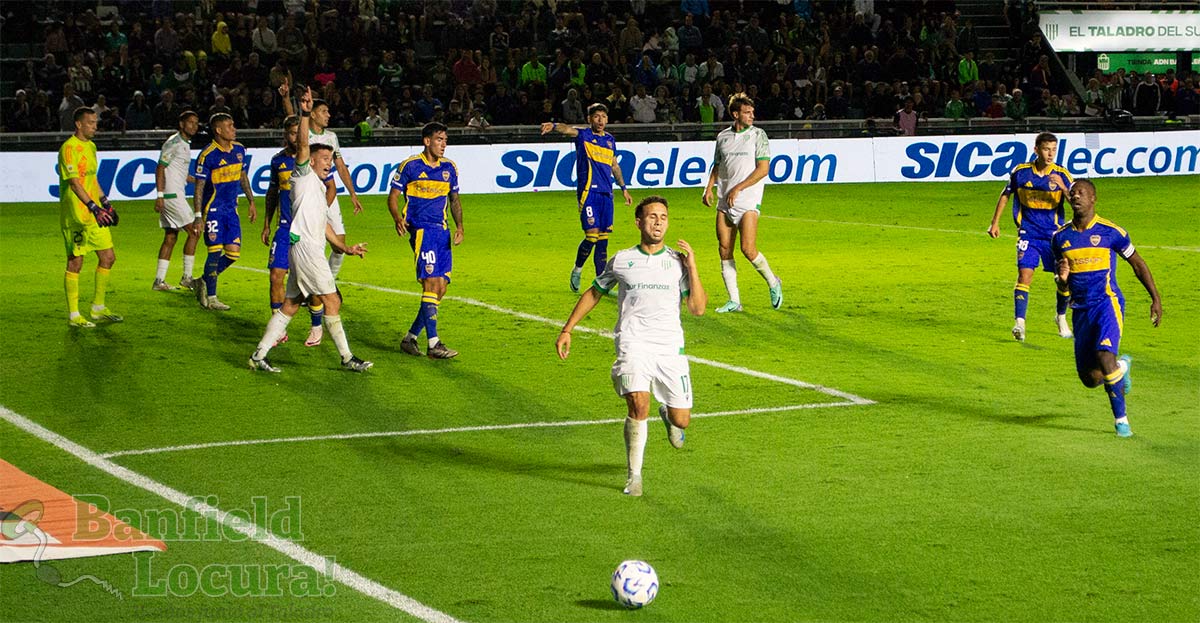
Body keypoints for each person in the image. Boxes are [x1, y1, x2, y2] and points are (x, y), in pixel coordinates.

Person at [555, 196, 707, 497]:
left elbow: (698, 309)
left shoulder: (677, 262)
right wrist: (568, 328)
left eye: (663, 216)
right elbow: (594, 292)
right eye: (652, 216)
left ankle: (669, 416)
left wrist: (693, 266)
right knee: (638, 403)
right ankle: (634, 476)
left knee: (682, 420)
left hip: (669, 349)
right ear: (639, 222)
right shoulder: (622, 260)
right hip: (633, 344)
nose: (658, 222)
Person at [250, 86, 372, 373]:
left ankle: (258, 355)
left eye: (331, 160)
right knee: (332, 299)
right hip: (305, 249)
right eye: (326, 160)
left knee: (290, 304)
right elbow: (304, 145)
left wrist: (346, 248)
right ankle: (346, 357)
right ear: (312, 161)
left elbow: (326, 226)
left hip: (306, 247)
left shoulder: (318, 186)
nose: (330, 165)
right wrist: (304, 113)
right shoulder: (302, 175)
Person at [1051, 179, 1162, 437]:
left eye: (1082, 192)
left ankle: (1121, 421)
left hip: (1107, 303)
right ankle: (1123, 367)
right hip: (1080, 310)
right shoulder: (1060, 238)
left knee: (1104, 355)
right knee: (1091, 378)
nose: (1075, 195)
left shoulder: (1112, 232)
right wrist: (1061, 281)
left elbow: (1137, 263)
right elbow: (1062, 282)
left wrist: (1155, 298)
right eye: (1073, 193)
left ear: (1093, 199)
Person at [387, 122, 465, 359]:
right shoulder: (410, 166)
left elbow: (454, 199)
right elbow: (392, 197)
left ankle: (410, 338)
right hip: (422, 231)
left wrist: (460, 226)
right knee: (431, 284)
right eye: (439, 139)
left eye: (445, 140)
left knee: (440, 288)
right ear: (427, 141)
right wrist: (396, 217)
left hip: (442, 233)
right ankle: (434, 344)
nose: (444, 144)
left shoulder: (450, 168)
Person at [701, 93, 783, 312]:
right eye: (747, 112)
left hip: (748, 200)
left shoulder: (759, 135)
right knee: (725, 249)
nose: (752, 116)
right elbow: (717, 166)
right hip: (724, 200)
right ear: (735, 114)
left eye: (752, 112)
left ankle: (773, 282)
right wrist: (708, 188)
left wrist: (739, 187)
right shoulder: (723, 137)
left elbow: (763, 169)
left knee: (748, 248)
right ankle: (734, 300)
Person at [539, 103, 634, 293]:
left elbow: (614, 165)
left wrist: (624, 188)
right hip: (589, 192)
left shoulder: (610, 140)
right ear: (590, 119)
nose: (600, 120)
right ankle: (577, 270)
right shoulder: (584, 136)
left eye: (603, 117)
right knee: (591, 236)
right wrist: (554, 125)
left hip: (606, 194)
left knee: (603, 240)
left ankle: (601, 283)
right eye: (596, 117)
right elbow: (567, 129)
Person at [988, 132, 1073, 341]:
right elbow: (1006, 194)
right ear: (1036, 150)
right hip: (1029, 233)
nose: (1051, 153)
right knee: (1024, 275)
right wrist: (995, 222)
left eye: (1054, 149)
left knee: (1064, 280)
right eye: (1046, 149)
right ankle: (1020, 324)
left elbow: (1076, 201)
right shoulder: (1022, 172)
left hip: (1055, 236)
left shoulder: (1062, 174)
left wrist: (1062, 187)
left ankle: (1061, 317)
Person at [262, 113, 327, 347]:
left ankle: (316, 326)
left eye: (297, 132)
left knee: (310, 282)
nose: (295, 136)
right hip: (284, 228)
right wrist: (267, 223)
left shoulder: (311, 160)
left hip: (307, 230)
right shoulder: (277, 161)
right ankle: (277, 328)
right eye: (291, 132)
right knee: (276, 276)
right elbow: (272, 194)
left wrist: (321, 214)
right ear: (285, 135)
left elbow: (328, 188)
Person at [292, 83, 366, 282]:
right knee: (313, 241)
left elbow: (340, 166)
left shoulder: (332, 137)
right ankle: (315, 282)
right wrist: (299, 110)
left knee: (339, 245)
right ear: (313, 115)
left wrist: (352, 193)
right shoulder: (304, 134)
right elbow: (295, 131)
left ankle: (328, 282)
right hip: (308, 194)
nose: (328, 115)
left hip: (329, 193)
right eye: (324, 111)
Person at [59, 107, 121, 327]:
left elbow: (92, 179)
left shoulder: (91, 146)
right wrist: (94, 207)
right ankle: (74, 315)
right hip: (77, 215)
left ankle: (97, 308)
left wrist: (105, 203)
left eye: (96, 122)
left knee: (108, 257)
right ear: (79, 124)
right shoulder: (68, 148)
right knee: (76, 261)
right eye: (91, 122)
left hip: (95, 213)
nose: (96, 126)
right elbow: (75, 183)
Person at [191, 112, 257, 311]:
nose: (234, 128)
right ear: (219, 130)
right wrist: (198, 216)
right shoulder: (208, 154)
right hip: (213, 211)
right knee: (214, 252)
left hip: (232, 210)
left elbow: (243, 176)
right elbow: (199, 188)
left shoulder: (239, 149)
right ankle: (211, 297)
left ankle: (202, 281)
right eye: (230, 126)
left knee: (233, 254)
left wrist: (251, 201)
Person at [152, 111, 200, 291]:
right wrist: (160, 195)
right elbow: (160, 168)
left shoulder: (185, 144)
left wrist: (195, 179)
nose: (194, 126)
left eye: (196, 123)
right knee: (195, 231)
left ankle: (159, 281)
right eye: (190, 122)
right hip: (171, 196)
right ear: (181, 124)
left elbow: (176, 171)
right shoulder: (174, 143)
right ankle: (187, 277)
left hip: (173, 193)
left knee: (171, 237)